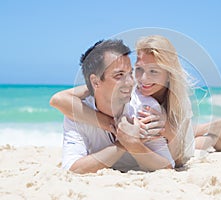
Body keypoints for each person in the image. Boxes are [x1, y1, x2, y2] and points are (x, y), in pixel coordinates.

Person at [50, 35, 221, 168]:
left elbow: (173, 162)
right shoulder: (119, 88)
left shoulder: (167, 103)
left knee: (187, 151)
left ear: (168, 76)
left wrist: (167, 129)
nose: (141, 79)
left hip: (176, 131)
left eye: (154, 72)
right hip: (153, 130)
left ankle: (213, 130)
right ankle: (210, 127)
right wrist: (115, 129)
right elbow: (59, 100)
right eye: (138, 70)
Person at [50, 39, 175, 174]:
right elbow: (72, 168)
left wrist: (134, 145)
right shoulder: (77, 113)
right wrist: (123, 143)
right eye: (119, 75)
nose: (130, 82)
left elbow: (167, 166)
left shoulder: (145, 107)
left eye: (130, 74)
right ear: (95, 81)